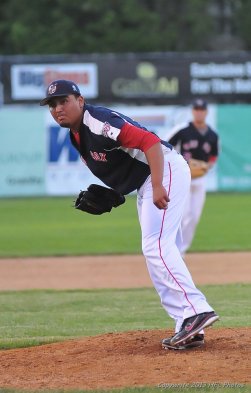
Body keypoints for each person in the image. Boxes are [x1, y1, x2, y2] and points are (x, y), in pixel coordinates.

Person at [40, 80, 219, 350]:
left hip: (162, 170)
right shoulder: (77, 136)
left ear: (80, 100)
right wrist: (117, 194)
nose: (57, 108)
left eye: (63, 101)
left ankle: (196, 311)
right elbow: (122, 164)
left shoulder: (97, 121)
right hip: (147, 180)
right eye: (52, 104)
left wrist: (159, 185)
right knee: (159, 249)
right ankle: (187, 322)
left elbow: (150, 142)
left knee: (155, 246)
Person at [168, 99, 219, 256]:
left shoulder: (212, 135)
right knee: (185, 215)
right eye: (196, 109)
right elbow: (165, 146)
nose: (199, 112)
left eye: (201, 109)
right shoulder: (183, 129)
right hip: (183, 178)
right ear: (192, 111)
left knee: (194, 217)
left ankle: (181, 250)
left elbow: (214, 155)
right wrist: (180, 162)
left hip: (200, 179)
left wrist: (208, 166)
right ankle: (175, 250)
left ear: (206, 112)